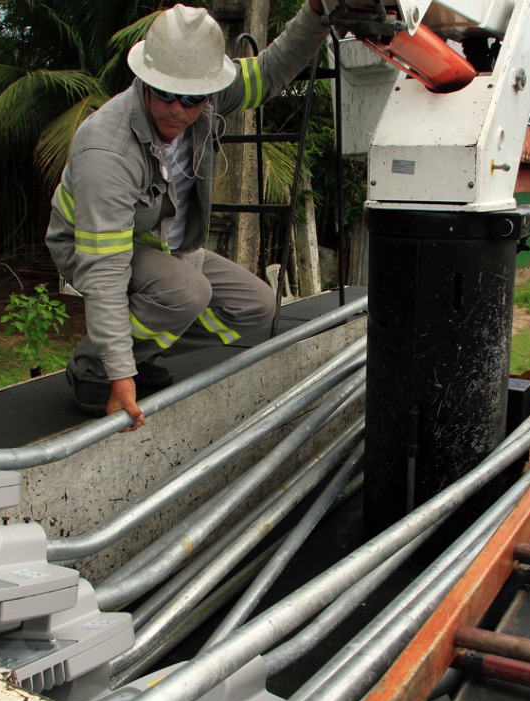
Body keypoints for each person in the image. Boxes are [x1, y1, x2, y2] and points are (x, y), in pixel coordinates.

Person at [45, 0, 328, 430]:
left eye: (193, 99)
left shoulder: (209, 97)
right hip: (92, 245)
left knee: (256, 306)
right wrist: (120, 378)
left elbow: (271, 71)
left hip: (162, 243)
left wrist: (318, 14)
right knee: (185, 292)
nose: (178, 109)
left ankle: (142, 351)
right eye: (165, 94)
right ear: (145, 79)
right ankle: (93, 369)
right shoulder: (106, 150)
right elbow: (104, 271)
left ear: (208, 90)